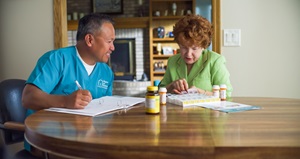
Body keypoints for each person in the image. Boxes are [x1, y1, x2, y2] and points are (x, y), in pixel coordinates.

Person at [22, 13, 115, 114]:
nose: (113, 48)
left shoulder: (107, 72)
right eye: (109, 41)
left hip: (86, 128)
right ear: (89, 40)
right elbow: (28, 98)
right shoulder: (56, 59)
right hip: (47, 128)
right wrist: (65, 101)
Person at [159, 14, 233, 97]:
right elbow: (161, 91)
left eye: (194, 48)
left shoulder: (215, 61)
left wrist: (200, 92)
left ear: (203, 46)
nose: (188, 54)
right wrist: (171, 86)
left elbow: (226, 95)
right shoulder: (172, 61)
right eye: (183, 47)